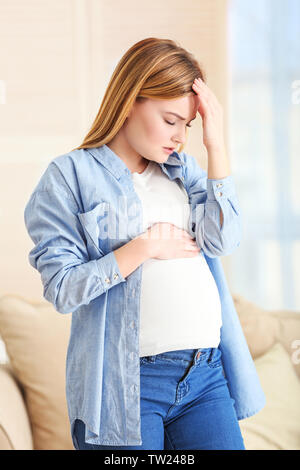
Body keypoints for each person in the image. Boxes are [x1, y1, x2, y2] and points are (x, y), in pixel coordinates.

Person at [24, 37, 265, 450]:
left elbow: (224, 240)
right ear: (130, 99)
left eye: (187, 126)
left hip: (204, 375)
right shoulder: (69, 176)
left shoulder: (182, 170)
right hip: (126, 386)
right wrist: (143, 246)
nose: (179, 138)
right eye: (170, 120)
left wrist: (216, 143)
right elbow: (62, 289)